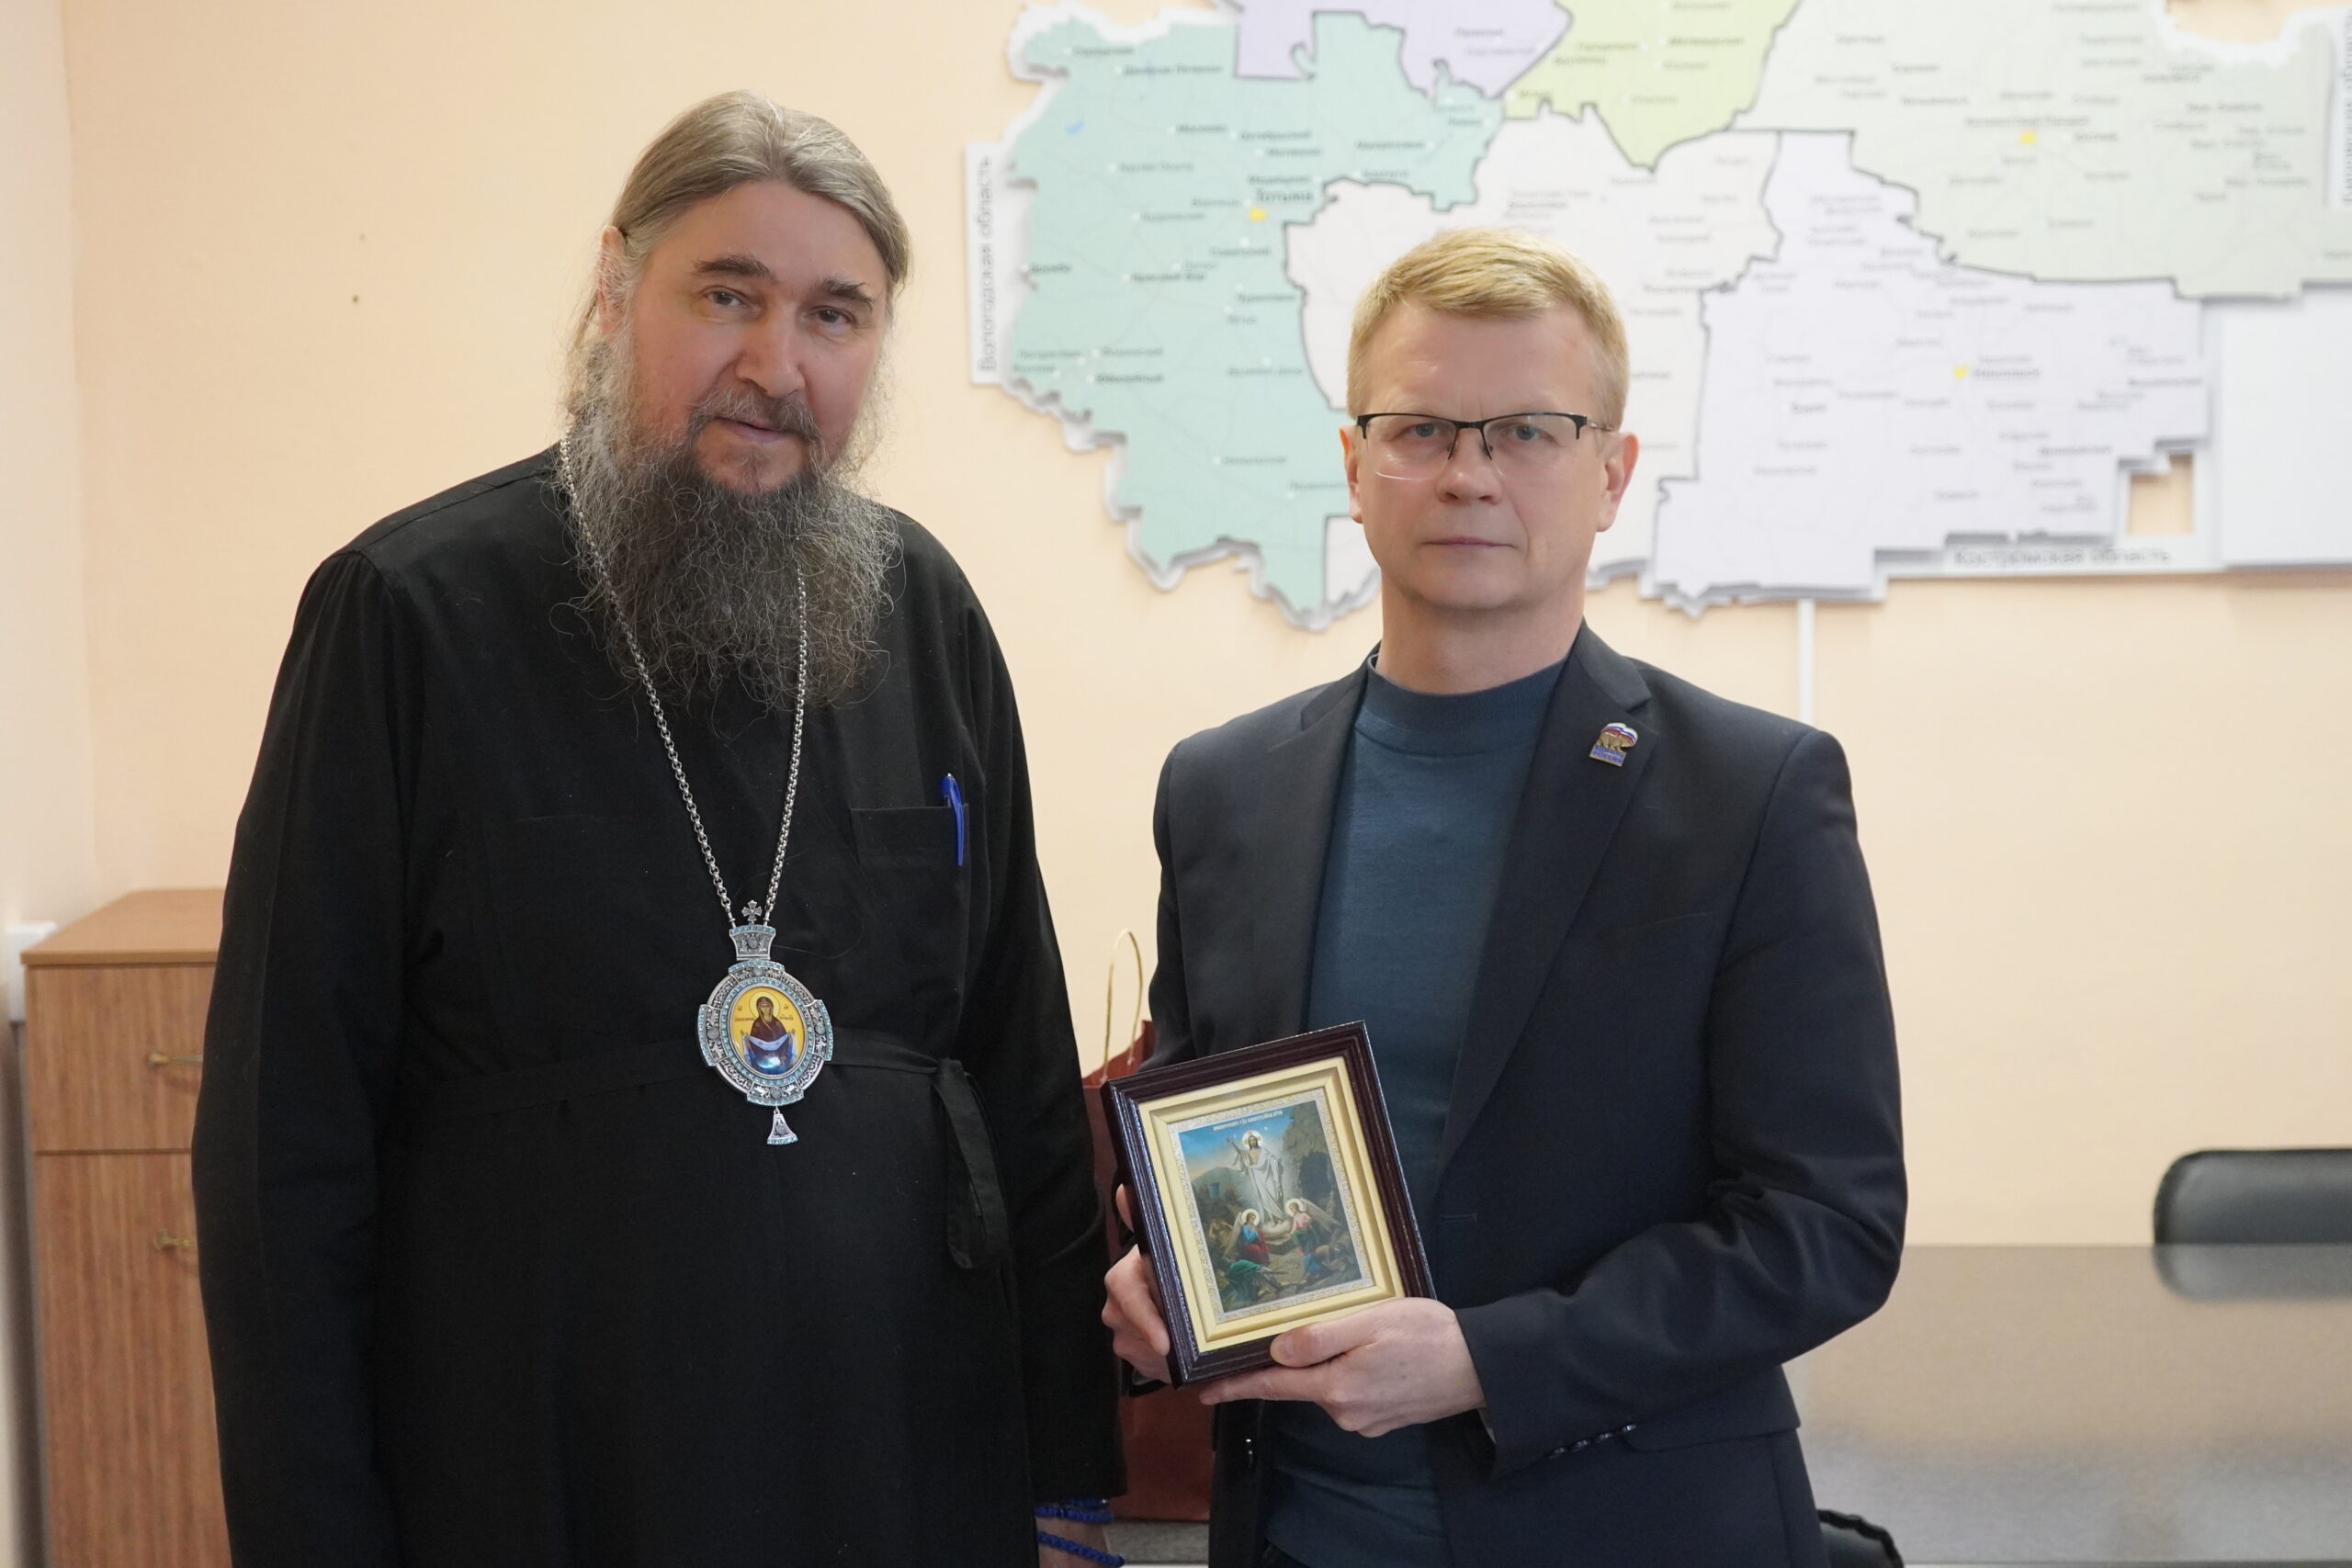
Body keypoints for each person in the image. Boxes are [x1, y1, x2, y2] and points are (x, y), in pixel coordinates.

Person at [193, 91, 1119, 1567]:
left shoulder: (923, 611)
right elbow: (281, 1147)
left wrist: (1065, 1473)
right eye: (727, 296)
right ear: (616, 290)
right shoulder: (409, 614)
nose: (776, 365)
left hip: (897, 1454)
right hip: (540, 1465)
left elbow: (1016, 1059)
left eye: (833, 314)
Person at [1103, 228, 1905, 1568]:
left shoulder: (1753, 794)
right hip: (1295, 1539)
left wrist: (1489, 1360)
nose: (1468, 474)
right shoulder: (1221, 789)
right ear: (1354, 465)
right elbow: (1212, 1134)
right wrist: (1171, 1277)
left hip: (1633, 1535)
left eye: (1529, 431)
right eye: (1419, 429)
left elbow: (1827, 1226)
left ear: (1612, 474)